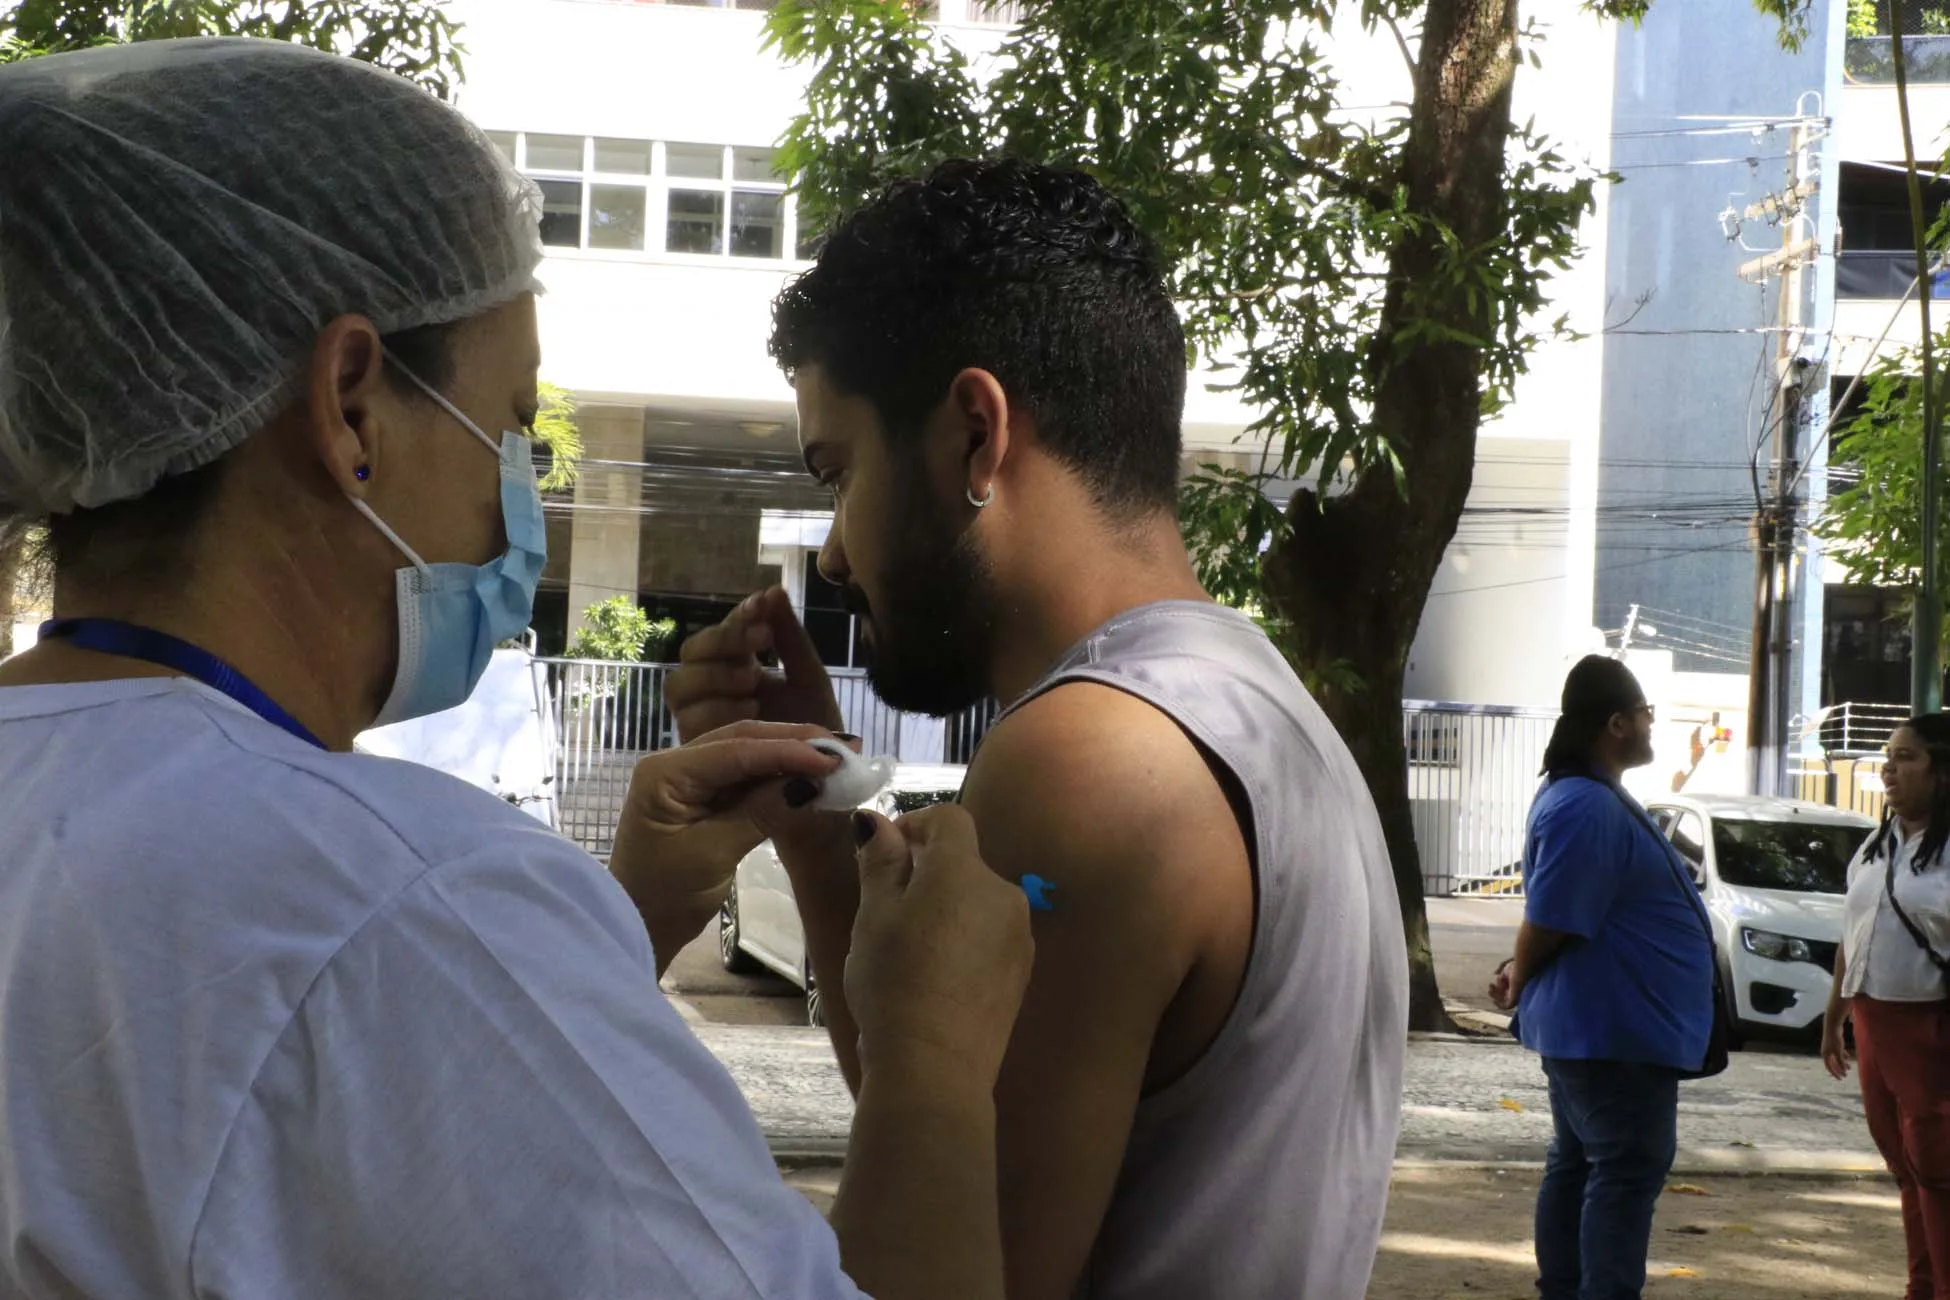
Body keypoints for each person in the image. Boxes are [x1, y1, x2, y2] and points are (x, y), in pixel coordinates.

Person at [0, 39, 1036, 1300]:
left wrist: (617, 919)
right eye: (509, 428)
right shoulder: (404, 898)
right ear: (350, 405)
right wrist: (932, 1056)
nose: (519, 507)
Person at [666, 158, 1409, 1300]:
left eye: (840, 469)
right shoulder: (1261, 707)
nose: (832, 551)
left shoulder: (1086, 762)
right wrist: (820, 825)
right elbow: (946, 1128)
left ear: (974, 434)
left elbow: (949, 1270)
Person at [1488, 655, 1714, 1300]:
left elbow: (1563, 911)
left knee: (1583, 1163)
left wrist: (1517, 968)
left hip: (1610, 1028)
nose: (1651, 727)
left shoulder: (1591, 796)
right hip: (1613, 1033)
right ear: (1616, 723)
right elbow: (1554, 917)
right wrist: (1520, 974)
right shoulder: (1584, 804)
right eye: (1646, 715)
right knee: (1623, 1171)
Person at [1822, 714, 1950, 1300]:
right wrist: (1835, 1016)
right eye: (1888, 755)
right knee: (1902, 1162)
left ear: (1942, 771)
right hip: (1873, 1022)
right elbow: (1854, 935)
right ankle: (1921, 1284)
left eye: (1908, 757)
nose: (1889, 768)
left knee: (1938, 1169)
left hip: (1929, 1027)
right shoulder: (1875, 848)